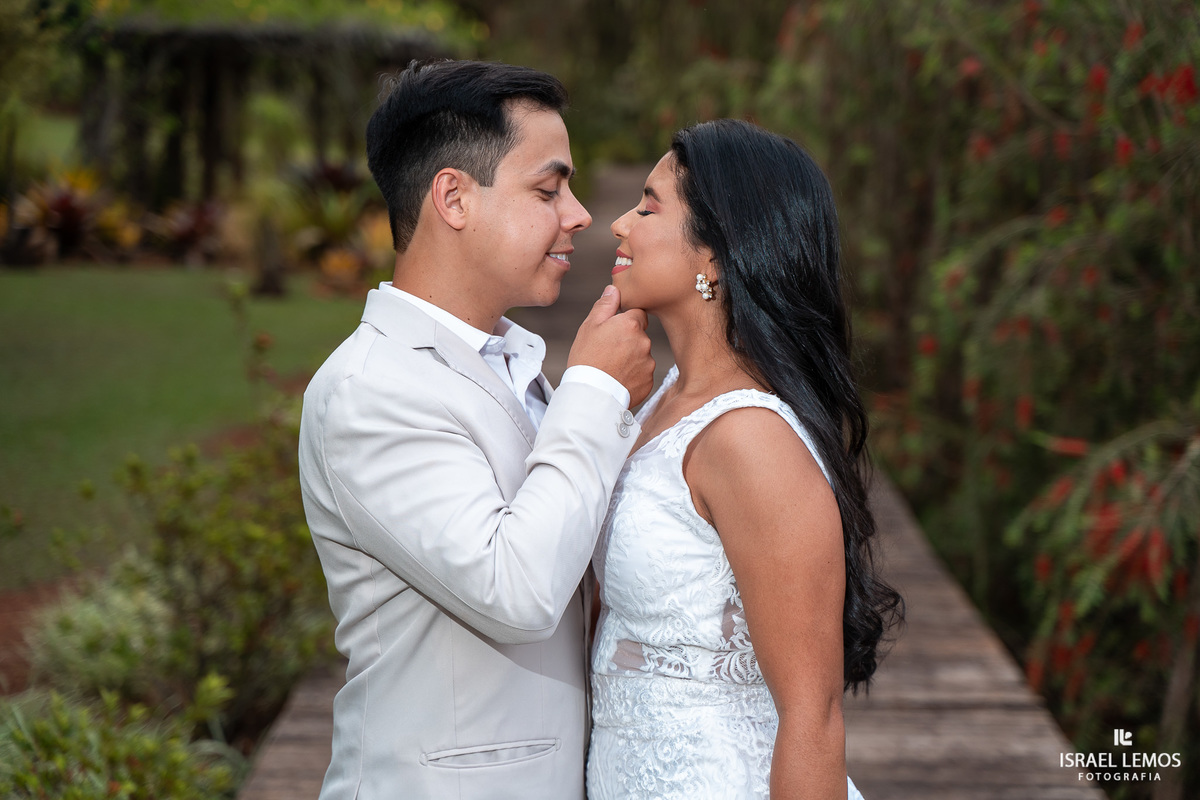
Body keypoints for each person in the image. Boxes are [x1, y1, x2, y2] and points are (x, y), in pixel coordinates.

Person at [298, 59, 655, 800]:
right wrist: (592, 389)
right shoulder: (370, 390)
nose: (580, 213)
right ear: (454, 198)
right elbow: (515, 588)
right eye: (548, 189)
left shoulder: (512, 361)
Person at [587, 119, 903, 799]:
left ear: (716, 256)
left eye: (648, 205)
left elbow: (812, 718)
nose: (620, 223)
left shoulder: (750, 439)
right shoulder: (662, 398)